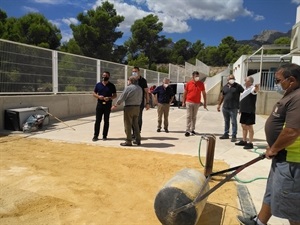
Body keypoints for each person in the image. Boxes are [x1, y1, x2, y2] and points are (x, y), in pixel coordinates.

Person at [237, 63, 300, 225]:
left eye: (278, 80)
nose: (276, 84)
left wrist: (274, 148)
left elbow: (292, 131)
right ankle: (260, 222)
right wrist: (273, 147)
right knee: (272, 192)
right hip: (281, 155)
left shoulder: (298, 97)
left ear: (291, 80)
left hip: (292, 160)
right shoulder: (291, 94)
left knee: (290, 205)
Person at [111, 76, 143, 146]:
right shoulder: (140, 88)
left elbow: (122, 97)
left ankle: (128, 141)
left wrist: (116, 104)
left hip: (129, 107)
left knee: (128, 124)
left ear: (130, 81)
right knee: (136, 124)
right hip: (137, 107)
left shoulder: (128, 88)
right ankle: (138, 139)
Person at [217, 74, 244, 142]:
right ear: (228, 80)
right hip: (225, 107)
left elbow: (244, 94)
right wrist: (219, 105)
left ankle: (234, 135)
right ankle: (226, 134)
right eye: (231, 78)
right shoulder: (225, 87)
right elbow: (222, 96)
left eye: (233, 78)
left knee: (234, 122)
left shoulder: (238, 86)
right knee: (226, 121)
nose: (232, 79)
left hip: (234, 107)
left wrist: (241, 106)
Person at [235, 76, 260, 149]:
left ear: (249, 82)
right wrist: (240, 109)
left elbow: (256, 90)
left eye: (246, 80)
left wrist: (256, 87)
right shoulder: (246, 89)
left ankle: (250, 142)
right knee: (243, 126)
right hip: (244, 110)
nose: (244, 81)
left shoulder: (252, 89)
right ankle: (244, 140)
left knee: (249, 126)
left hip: (249, 111)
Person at [92, 71, 117, 141]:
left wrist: (109, 98)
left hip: (108, 105)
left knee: (106, 121)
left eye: (105, 76)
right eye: (103, 75)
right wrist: (98, 96)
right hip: (100, 104)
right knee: (97, 120)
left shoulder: (112, 86)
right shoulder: (98, 85)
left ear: (108, 77)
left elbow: (115, 95)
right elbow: (94, 93)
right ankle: (95, 135)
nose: (104, 77)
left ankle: (104, 135)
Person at [182, 71, 207, 137]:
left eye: (198, 76)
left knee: (194, 116)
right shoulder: (189, 83)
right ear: (193, 76)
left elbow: (204, 93)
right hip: (189, 101)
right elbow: (185, 93)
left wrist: (205, 103)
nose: (197, 78)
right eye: (196, 76)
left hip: (196, 103)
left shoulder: (201, 84)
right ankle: (187, 130)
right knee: (189, 116)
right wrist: (183, 101)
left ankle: (192, 129)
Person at [131, 66, 150, 138]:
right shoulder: (131, 80)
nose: (134, 73)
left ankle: (138, 132)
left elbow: (146, 92)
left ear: (139, 72)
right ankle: (134, 133)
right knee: (132, 118)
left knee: (138, 118)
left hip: (140, 102)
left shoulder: (143, 81)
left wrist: (147, 103)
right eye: (133, 71)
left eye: (135, 71)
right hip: (131, 102)